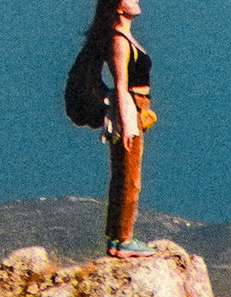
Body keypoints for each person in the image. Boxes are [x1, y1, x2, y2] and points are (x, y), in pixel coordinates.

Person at [80, 0, 154, 256]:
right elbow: (121, 86)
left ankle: (117, 238)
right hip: (129, 108)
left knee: (125, 175)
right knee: (129, 178)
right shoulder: (119, 40)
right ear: (119, 7)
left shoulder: (125, 38)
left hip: (137, 107)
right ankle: (123, 240)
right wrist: (126, 124)